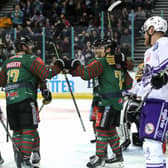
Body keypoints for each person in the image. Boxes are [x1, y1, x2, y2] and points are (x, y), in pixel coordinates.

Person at [64, 38, 133, 168]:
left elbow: (86, 74)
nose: (96, 50)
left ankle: (100, 157)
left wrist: (72, 65)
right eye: (95, 48)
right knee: (110, 129)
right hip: (117, 102)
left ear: (108, 50)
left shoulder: (100, 62)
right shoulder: (119, 65)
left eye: (100, 48)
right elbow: (129, 83)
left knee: (101, 129)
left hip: (106, 101)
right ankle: (118, 157)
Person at [0, 35, 64, 168]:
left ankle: (20, 158)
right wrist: (59, 65)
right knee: (29, 130)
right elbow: (46, 73)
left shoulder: (7, 62)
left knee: (17, 131)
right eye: (29, 45)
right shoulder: (31, 59)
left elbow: (1, 82)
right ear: (23, 47)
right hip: (26, 99)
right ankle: (25, 160)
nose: (31, 47)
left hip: (10, 101)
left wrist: (43, 88)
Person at [132, 16, 168, 168]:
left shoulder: (164, 43)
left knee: (152, 145)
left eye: (146, 32)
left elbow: (164, 71)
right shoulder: (150, 52)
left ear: (152, 29)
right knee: (151, 144)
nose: (144, 35)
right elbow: (146, 81)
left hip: (160, 101)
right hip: (152, 102)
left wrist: (164, 75)